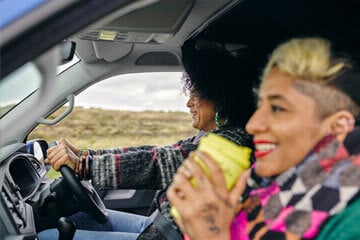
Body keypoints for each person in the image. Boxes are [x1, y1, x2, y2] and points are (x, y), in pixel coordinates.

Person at [38, 39, 256, 240]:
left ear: (219, 99)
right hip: (163, 226)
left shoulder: (232, 144)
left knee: (48, 236)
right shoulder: (217, 136)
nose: (189, 103)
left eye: (196, 95)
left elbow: (157, 164)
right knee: (77, 218)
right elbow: (158, 152)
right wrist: (86, 155)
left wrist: (84, 165)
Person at [167, 37, 360, 240]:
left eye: (277, 108)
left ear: (338, 127)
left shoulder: (351, 220)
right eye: (261, 105)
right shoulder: (263, 178)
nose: (252, 125)